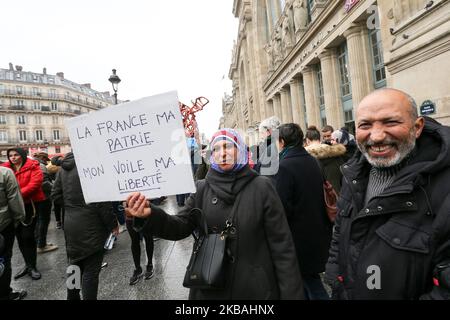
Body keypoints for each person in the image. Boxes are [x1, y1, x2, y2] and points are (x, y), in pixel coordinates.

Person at [125, 128, 304, 299]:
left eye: (228, 146)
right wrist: (150, 215)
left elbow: (282, 247)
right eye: (216, 149)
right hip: (209, 286)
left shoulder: (262, 187)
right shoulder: (202, 188)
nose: (222, 153)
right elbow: (179, 226)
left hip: (255, 289)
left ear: (240, 149)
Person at [325, 88, 450, 300]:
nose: (377, 136)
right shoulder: (352, 174)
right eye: (365, 125)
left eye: (390, 122)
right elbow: (340, 233)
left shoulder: (444, 186)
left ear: (417, 127)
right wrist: (335, 278)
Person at [274, 123, 332, 300]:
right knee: (306, 282)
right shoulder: (313, 160)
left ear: (282, 142)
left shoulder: (283, 166)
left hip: (298, 237)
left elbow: (282, 206)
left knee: (311, 284)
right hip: (319, 230)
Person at [51, 152, 118, 300]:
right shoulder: (92, 167)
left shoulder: (63, 169)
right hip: (91, 223)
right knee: (91, 271)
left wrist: (71, 206)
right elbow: (102, 202)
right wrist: (113, 224)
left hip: (71, 223)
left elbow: (55, 195)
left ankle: (72, 296)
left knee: (74, 263)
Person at [2, 148, 45, 280]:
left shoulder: (33, 165)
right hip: (12, 207)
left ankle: (32, 266)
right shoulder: (5, 168)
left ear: (22, 155)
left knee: (27, 236)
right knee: (19, 237)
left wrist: (15, 195)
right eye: (10, 155)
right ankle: (28, 265)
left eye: (16, 155)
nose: (13, 157)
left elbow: (35, 184)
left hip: (29, 205)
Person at [0, 166, 27, 300]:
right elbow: (14, 199)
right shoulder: (5, 172)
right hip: (3, 225)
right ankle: (5, 294)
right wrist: (18, 218)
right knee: (3, 259)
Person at [305, 126, 347, 194]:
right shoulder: (335, 152)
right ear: (320, 138)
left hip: (317, 197)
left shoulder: (304, 157)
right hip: (339, 194)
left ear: (307, 140)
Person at [33, 152, 58, 253]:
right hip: (43, 197)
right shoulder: (41, 166)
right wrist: (55, 187)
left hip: (36, 197)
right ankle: (41, 245)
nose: (46, 161)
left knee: (39, 221)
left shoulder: (33, 164)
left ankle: (39, 242)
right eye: (46, 159)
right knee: (43, 221)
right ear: (42, 158)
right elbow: (44, 183)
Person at [126, 201, 154, 286]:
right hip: (130, 215)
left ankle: (149, 264)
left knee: (148, 238)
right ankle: (137, 268)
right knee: (134, 241)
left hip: (145, 213)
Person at [49, 155, 64, 229]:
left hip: (55, 189)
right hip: (63, 189)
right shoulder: (62, 169)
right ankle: (63, 222)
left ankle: (58, 222)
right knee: (64, 207)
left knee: (57, 207)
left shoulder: (50, 168)